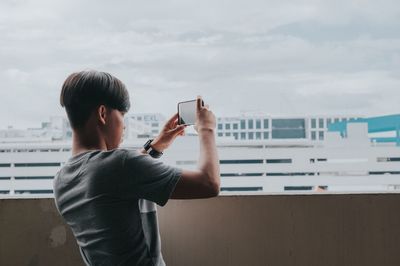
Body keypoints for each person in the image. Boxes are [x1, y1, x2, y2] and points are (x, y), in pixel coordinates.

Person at [53, 70, 220, 266]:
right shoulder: (120, 164)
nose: (124, 126)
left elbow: (111, 180)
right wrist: (206, 128)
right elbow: (209, 183)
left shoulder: (61, 180)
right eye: (122, 115)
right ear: (103, 113)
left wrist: (156, 146)